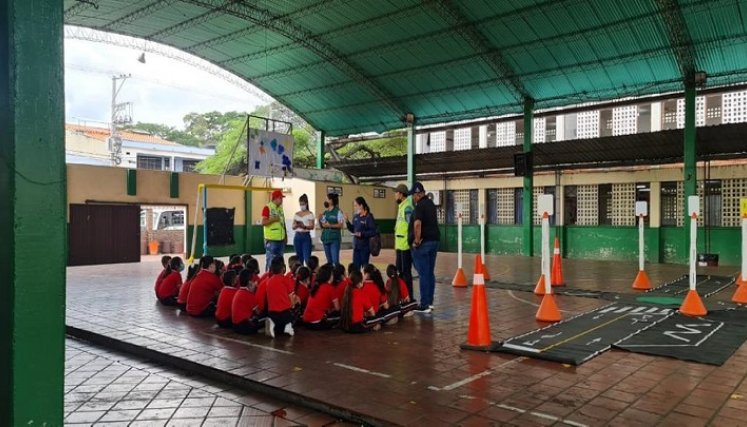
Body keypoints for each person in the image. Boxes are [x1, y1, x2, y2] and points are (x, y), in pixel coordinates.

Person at [409, 182, 440, 314]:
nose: (413, 198)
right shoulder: (431, 204)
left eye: (414, 195)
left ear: (418, 194)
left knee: (423, 274)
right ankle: (430, 302)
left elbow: (417, 224)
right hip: (434, 241)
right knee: (429, 273)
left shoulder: (419, 207)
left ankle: (424, 304)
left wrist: (416, 241)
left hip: (424, 244)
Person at [264, 256, 296, 338]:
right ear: (283, 268)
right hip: (284, 313)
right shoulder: (286, 279)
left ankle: (273, 325)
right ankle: (286, 327)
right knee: (293, 320)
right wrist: (293, 306)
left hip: (272, 313)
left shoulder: (268, 281)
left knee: (278, 328)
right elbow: (291, 297)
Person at [394, 183, 415, 299]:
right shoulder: (402, 206)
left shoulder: (407, 208)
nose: (395, 195)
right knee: (400, 273)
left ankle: (409, 297)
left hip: (405, 246)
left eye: (396, 193)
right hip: (400, 245)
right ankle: (403, 296)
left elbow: (411, 226)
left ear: (401, 194)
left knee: (406, 273)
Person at [302, 264, 340, 329]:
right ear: (329, 276)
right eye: (332, 274)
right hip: (316, 323)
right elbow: (337, 308)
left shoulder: (316, 285)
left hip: (306, 321)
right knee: (341, 317)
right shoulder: (330, 288)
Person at [345, 197, 377, 270]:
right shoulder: (355, 217)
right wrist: (347, 222)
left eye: (356, 205)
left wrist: (362, 234)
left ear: (361, 205)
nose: (354, 207)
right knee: (355, 269)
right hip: (356, 247)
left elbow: (373, 232)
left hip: (365, 248)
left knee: (365, 268)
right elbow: (353, 229)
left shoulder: (369, 217)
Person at [261, 189, 287, 272]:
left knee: (280, 262)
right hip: (271, 241)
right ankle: (268, 279)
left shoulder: (280, 209)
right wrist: (273, 219)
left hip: (281, 240)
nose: (282, 200)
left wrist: (285, 236)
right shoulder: (267, 207)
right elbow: (263, 222)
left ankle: (279, 279)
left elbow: (283, 223)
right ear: (275, 198)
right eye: (280, 198)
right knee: (270, 262)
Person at [232, 269, 262, 334]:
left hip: (235, 325)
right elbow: (258, 312)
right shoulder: (248, 294)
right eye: (254, 281)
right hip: (243, 326)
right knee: (262, 321)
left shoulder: (239, 291)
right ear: (250, 283)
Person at [319, 193, 344, 266]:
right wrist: (319, 219)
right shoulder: (325, 212)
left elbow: (341, 225)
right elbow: (323, 225)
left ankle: (337, 275)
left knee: (335, 261)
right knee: (329, 262)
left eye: (327, 199)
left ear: (331, 201)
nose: (325, 200)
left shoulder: (338, 211)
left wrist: (330, 225)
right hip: (326, 239)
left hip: (334, 240)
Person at [292, 194, 315, 267]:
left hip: (306, 236)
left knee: (307, 258)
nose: (302, 206)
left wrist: (304, 226)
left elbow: (312, 226)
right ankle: (300, 274)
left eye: (303, 204)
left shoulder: (310, 214)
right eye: (300, 204)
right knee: (298, 258)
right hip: (297, 236)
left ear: (306, 203)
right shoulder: (296, 214)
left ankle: (309, 273)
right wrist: (296, 225)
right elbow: (293, 226)